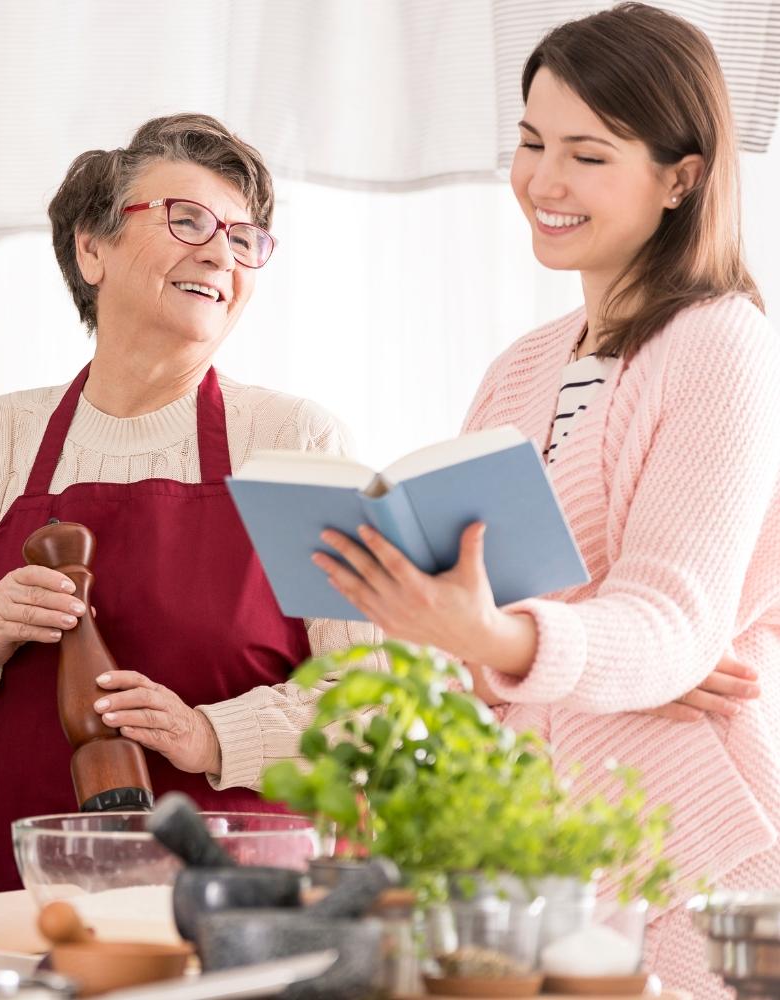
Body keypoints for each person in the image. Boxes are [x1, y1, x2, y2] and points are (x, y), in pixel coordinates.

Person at [312, 5, 779, 996]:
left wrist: (506, 641)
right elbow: (492, 644)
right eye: (530, 143)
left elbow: (672, 622)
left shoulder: (720, 342)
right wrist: (441, 624)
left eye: (587, 154)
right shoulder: (520, 368)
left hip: (690, 858)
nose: (543, 181)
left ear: (681, 178)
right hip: (540, 859)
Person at [0, 113, 380, 896]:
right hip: (27, 920)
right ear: (92, 248)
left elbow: (378, 706)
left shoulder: (298, 442)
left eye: (242, 238)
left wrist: (208, 734)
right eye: (187, 219)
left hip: (237, 929)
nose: (220, 253)